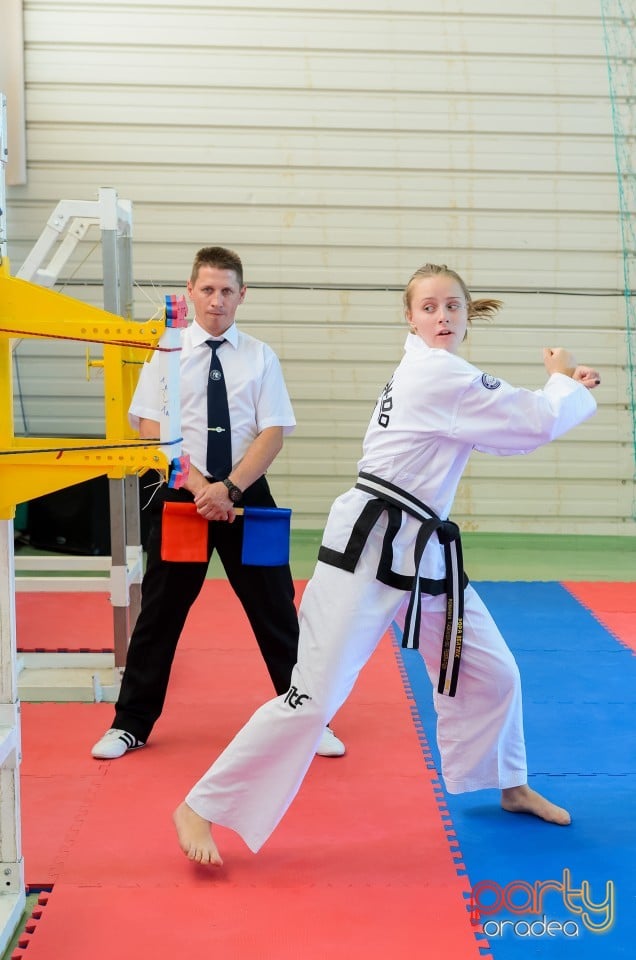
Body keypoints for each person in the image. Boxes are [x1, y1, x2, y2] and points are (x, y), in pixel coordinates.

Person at [172, 262, 601, 865]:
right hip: (367, 552)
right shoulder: (434, 375)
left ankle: (509, 784)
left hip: (423, 553)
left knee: (494, 671)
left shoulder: (443, 375)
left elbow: (511, 428)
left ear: (466, 313)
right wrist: (561, 382)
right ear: (409, 317)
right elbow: (533, 420)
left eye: (452, 306)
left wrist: (562, 390)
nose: (442, 316)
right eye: (428, 307)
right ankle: (200, 806)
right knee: (314, 700)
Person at [91, 246, 345, 760]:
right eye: (207, 289)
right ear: (190, 291)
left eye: (227, 290)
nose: (216, 300)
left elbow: (273, 432)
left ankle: (306, 719)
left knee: (274, 607)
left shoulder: (259, 356)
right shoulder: (166, 353)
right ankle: (130, 724)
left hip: (247, 497)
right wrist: (203, 486)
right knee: (161, 612)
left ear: (242, 295)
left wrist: (229, 489)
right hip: (182, 494)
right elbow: (147, 429)